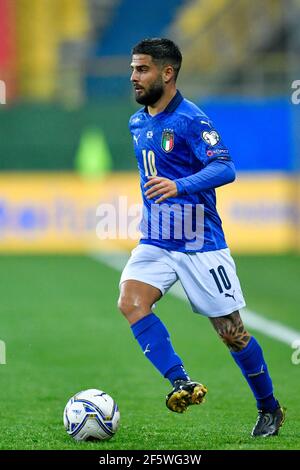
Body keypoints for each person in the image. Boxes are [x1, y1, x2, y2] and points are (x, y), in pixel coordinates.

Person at [118, 38, 285, 437]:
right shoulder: (137, 121)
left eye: (142, 69)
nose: (133, 77)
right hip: (157, 239)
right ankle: (181, 382)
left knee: (231, 332)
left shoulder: (190, 120)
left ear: (167, 73)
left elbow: (225, 167)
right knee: (131, 302)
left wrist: (179, 186)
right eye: (133, 68)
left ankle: (269, 408)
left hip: (199, 241)